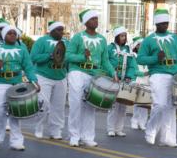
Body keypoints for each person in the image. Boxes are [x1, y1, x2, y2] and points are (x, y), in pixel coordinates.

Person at [137, 8, 177, 148]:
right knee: (159, 104)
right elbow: (140, 59)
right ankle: (150, 130)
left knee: (170, 107)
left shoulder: (174, 38)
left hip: (175, 75)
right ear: (157, 24)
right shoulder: (148, 40)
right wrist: (155, 58)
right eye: (163, 23)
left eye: (167, 23)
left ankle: (167, 138)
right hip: (158, 74)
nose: (165, 25)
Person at [0, 25, 40, 151]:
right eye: (10, 33)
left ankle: (16, 141)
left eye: (14, 33)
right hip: (1, 82)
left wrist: (34, 81)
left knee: (16, 113)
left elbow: (28, 67)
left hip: (17, 82)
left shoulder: (22, 50)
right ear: (4, 36)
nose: (13, 35)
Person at [66, 9, 118, 147]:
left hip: (94, 74)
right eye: (93, 19)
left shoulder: (102, 39)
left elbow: (105, 60)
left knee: (90, 106)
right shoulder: (78, 37)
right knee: (76, 104)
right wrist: (82, 56)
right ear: (86, 22)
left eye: (96, 18)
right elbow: (68, 56)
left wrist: (113, 73)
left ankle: (87, 136)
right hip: (77, 72)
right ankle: (74, 136)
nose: (96, 21)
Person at [30, 21, 68, 140]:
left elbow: (69, 58)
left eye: (62, 30)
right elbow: (33, 57)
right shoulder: (42, 41)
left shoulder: (66, 43)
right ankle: (39, 127)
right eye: (58, 30)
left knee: (59, 106)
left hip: (61, 76)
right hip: (43, 76)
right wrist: (49, 56)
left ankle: (55, 130)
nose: (61, 32)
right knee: (43, 104)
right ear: (51, 30)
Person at [107, 26, 136, 137]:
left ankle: (119, 129)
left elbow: (132, 65)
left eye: (125, 36)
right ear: (117, 37)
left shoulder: (128, 49)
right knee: (113, 106)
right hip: (113, 80)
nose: (124, 38)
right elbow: (106, 61)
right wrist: (111, 73)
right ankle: (111, 128)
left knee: (123, 106)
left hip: (124, 81)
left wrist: (129, 76)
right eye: (122, 36)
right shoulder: (110, 48)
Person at [130, 36, 149, 130]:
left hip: (147, 82)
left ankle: (142, 123)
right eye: (140, 45)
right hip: (138, 81)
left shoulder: (147, 57)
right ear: (136, 46)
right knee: (137, 103)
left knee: (145, 104)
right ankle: (134, 121)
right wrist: (144, 73)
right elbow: (134, 71)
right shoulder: (133, 56)